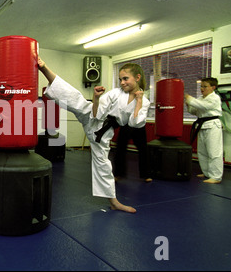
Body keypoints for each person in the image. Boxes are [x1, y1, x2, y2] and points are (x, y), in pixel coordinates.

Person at [38, 58, 150, 213]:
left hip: (103, 133)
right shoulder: (116, 93)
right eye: (120, 79)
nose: (122, 82)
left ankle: (114, 202)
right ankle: (44, 68)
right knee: (73, 96)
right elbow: (96, 114)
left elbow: (134, 123)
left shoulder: (144, 102)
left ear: (137, 77)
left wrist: (138, 102)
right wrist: (96, 98)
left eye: (126, 79)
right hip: (92, 115)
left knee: (103, 164)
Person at [185, 77, 223, 184]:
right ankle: (207, 173)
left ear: (213, 87)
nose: (202, 88)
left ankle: (216, 176)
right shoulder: (201, 99)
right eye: (201, 86)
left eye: (205, 86)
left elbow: (205, 107)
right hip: (202, 126)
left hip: (213, 126)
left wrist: (191, 99)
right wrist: (188, 105)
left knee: (214, 151)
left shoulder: (215, 98)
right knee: (202, 152)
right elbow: (195, 111)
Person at [114, 85, 152, 183]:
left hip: (139, 126)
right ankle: (118, 174)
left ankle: (146, 174)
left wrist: (139, 100)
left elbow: (137, 119)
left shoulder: (145, 101)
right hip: (126, 125)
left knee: (143, 150)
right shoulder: (124, 97)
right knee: (120, 148)